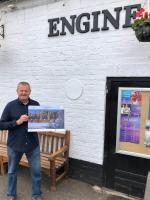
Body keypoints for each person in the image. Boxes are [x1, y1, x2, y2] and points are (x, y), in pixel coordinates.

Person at [0, 82, 43, 200]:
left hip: (32, 144)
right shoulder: (10, 106)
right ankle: (11, 194)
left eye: (26, 91)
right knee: (12, 171)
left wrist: (45, 123)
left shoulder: (36, 104)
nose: (23, 93)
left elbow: (41, 122)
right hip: (15, 145)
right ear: (17, 91)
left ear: (30, 91)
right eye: (21, 91)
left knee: (36, 172)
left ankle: (37, 194)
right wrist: (17, 122)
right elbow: (1, 125)